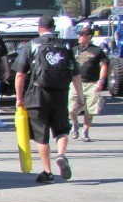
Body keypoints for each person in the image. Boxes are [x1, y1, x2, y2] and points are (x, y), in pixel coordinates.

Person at [14, 14, 84, 184]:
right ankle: (61, 154)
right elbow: (76, 76)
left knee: (41, 136)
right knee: (62, 130)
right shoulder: (65, 46)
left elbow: (20, 74)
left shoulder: (31, 45)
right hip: (60, 96)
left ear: (39, 28)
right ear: (54, 28)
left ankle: (48, 172)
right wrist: (80, 98)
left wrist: (19, 98)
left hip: (37, 97)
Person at [68, 26, 109, 142]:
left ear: (89, 37)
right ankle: (75, 124)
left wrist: (101, 80)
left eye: (82, 35)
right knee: (71, 108)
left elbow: (103, 66)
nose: (79, 37)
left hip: (92, 83)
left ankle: (85, 131)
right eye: (79, 34)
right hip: (76, 83)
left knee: (90, 109)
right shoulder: (73, 50)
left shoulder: (97, 51)